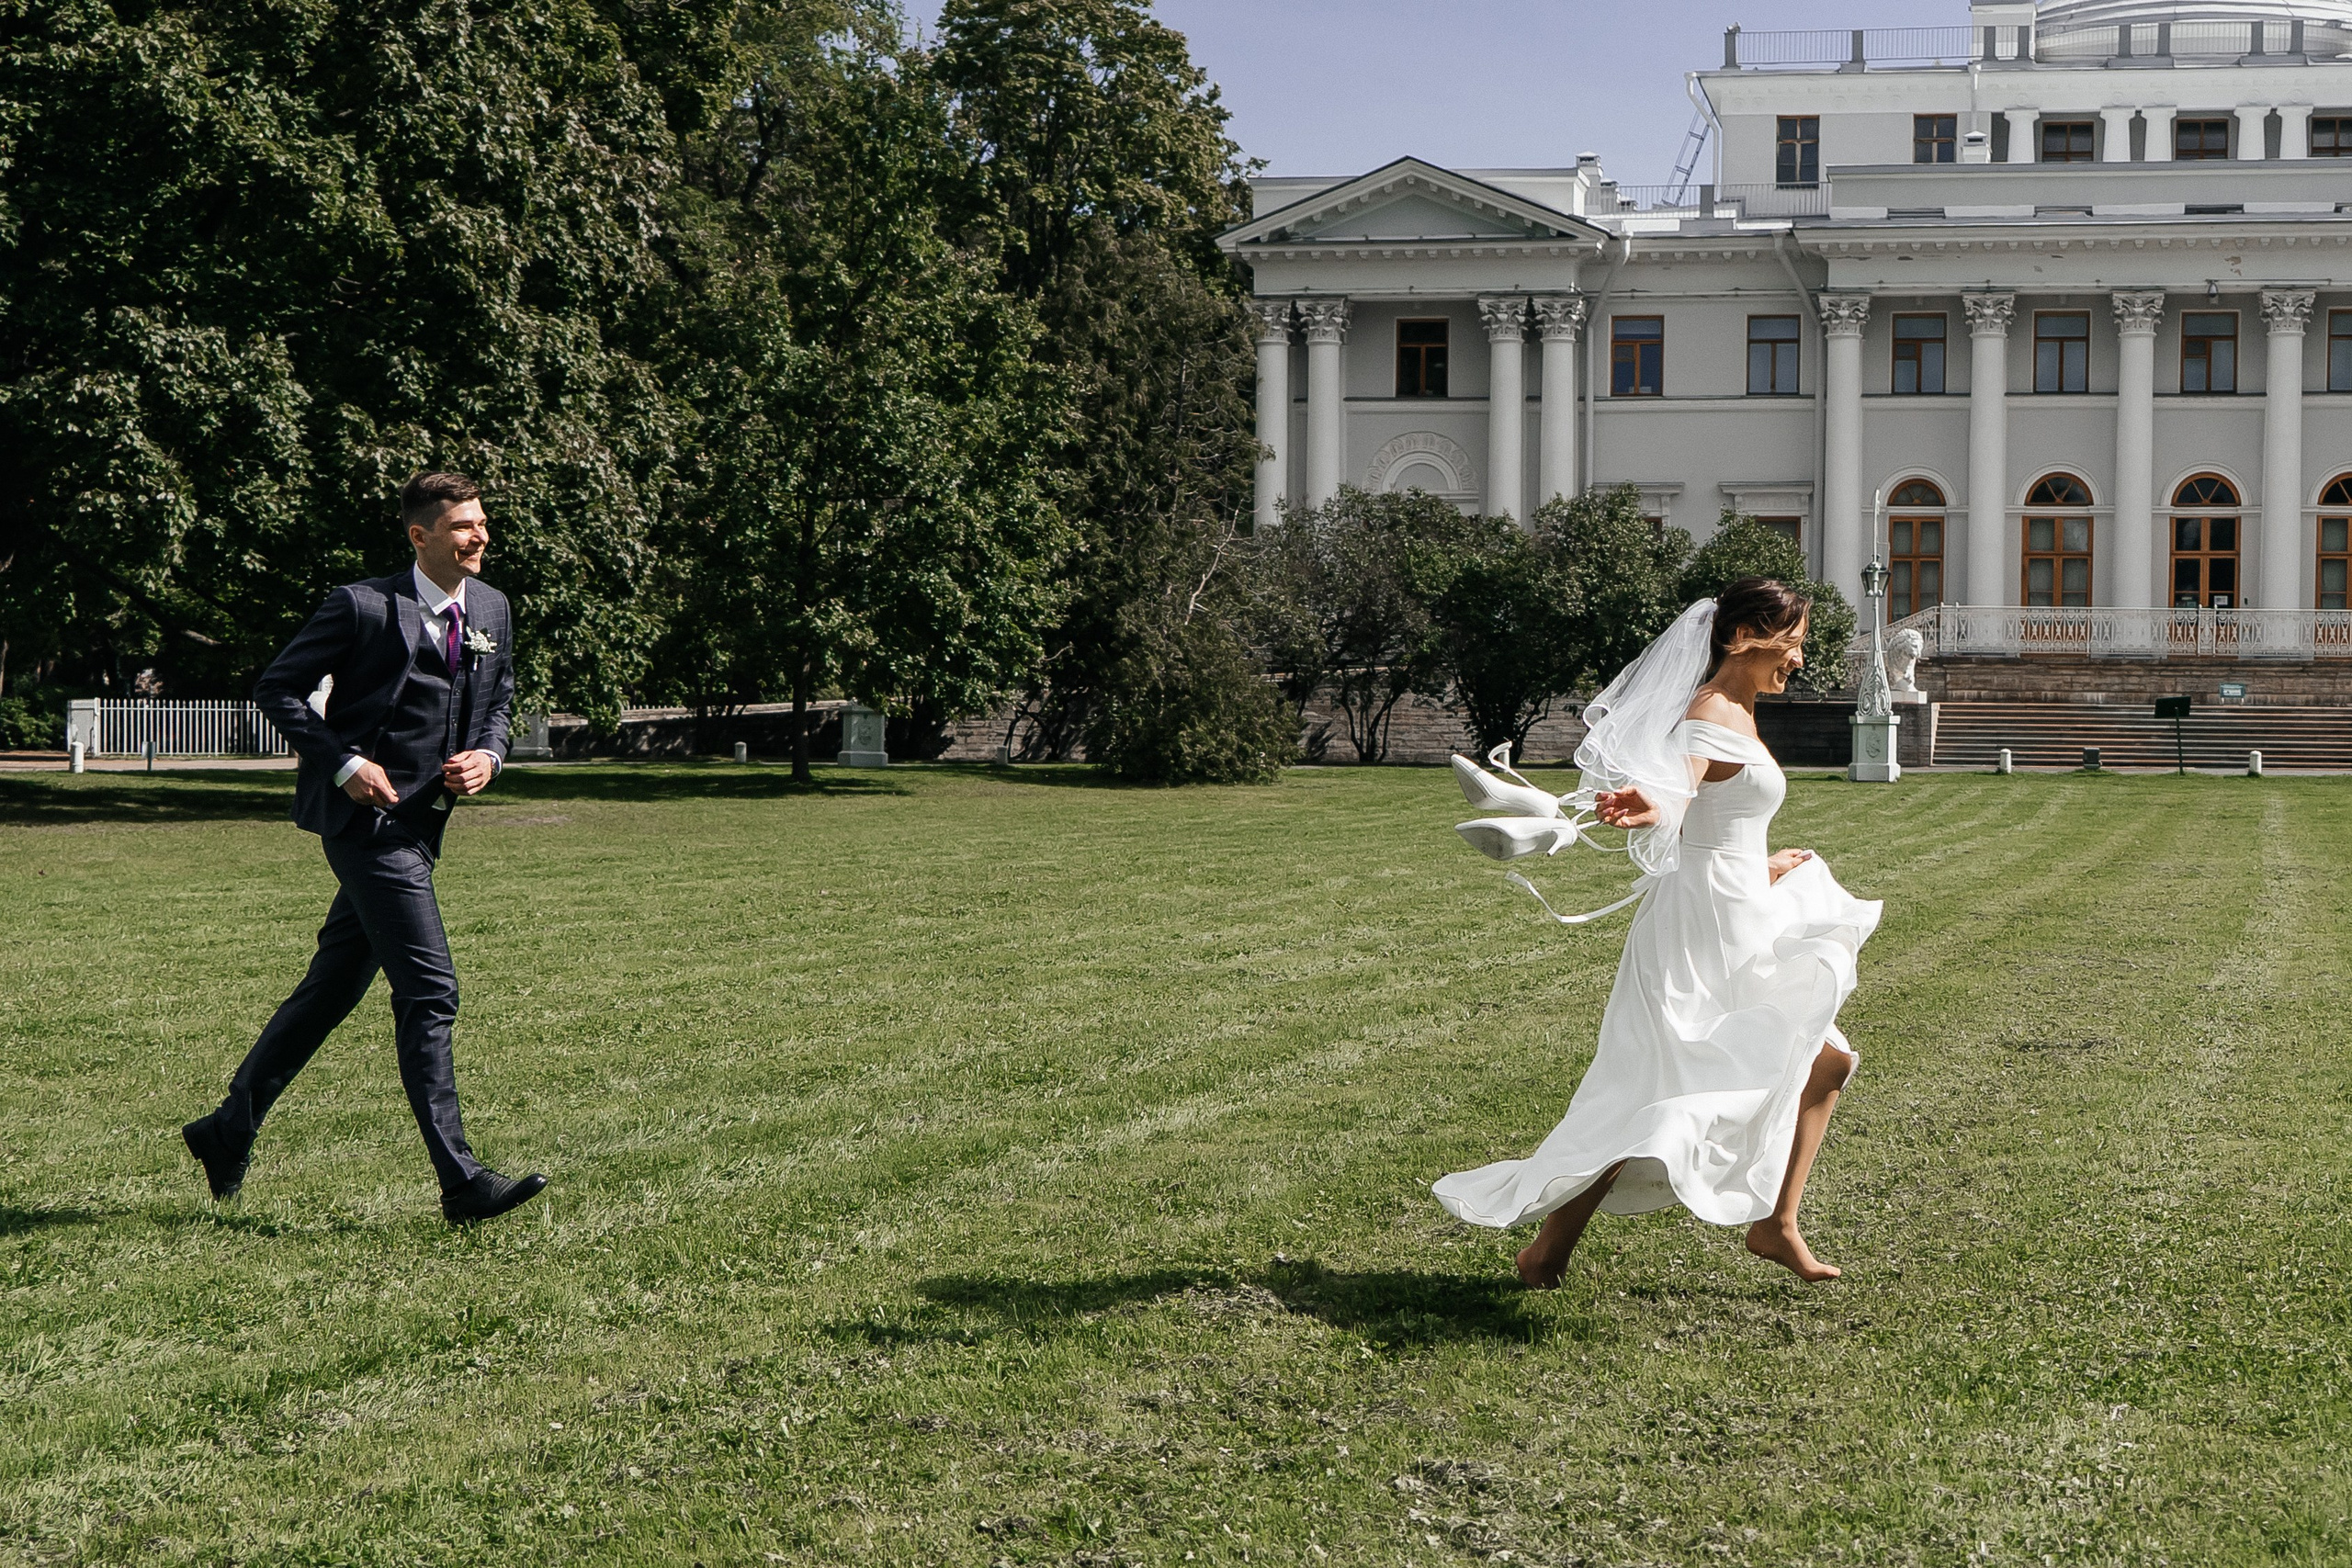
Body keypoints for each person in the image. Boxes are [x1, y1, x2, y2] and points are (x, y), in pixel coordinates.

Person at [1435, 578, 1880, 1285]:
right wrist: (1654, 802)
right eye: (1791, 643)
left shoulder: (1738, 708)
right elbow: (1683, 782)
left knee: (1824, 1061)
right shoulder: (1710, 712)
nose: (1798, 659)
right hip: (1697, 932)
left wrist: (1762, 864)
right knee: (1648, 1093)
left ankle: (1775, 1223)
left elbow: (1714, 819)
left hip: (1739, 912)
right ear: (1740, 638)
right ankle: (1547, 1252)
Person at [180, 472, 548, 1225]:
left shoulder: (491, 608)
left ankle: (226, 1128)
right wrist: (344, 763)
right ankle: (462, 1182)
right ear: (421, 537)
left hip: (424, 825)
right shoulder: (361, 605)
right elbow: (278, 687)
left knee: (332, 988)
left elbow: (500, 696)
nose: (480, 536)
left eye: (481, 523)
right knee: (430, 990)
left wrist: (489, 754)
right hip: (365, 830)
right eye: (462, 527)